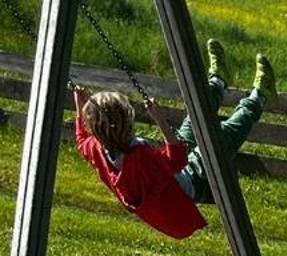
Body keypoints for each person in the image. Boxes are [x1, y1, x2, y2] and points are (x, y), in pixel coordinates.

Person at [74, 40, 276, 243]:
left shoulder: (97, 148)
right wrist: (159, 119)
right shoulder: (139, 161)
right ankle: (260, 96)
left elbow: (81, 138)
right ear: (128, 122)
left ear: (95, 129)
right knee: (220, 136)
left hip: (172, 177)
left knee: (195, 119)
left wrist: (79, 102)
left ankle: (218, 80)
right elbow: (178, 158)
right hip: (190, 183)